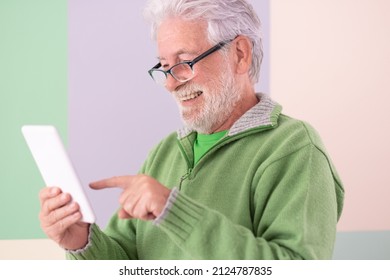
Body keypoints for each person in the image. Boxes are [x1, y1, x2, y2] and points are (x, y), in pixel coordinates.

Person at [39, 0, 344, 260]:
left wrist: (175, 212)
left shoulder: (294, 149)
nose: (171, 83)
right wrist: (82, 242)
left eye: (184, 62)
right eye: (163, 66)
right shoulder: (166, 152)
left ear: (239, 54)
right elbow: (127, 264)